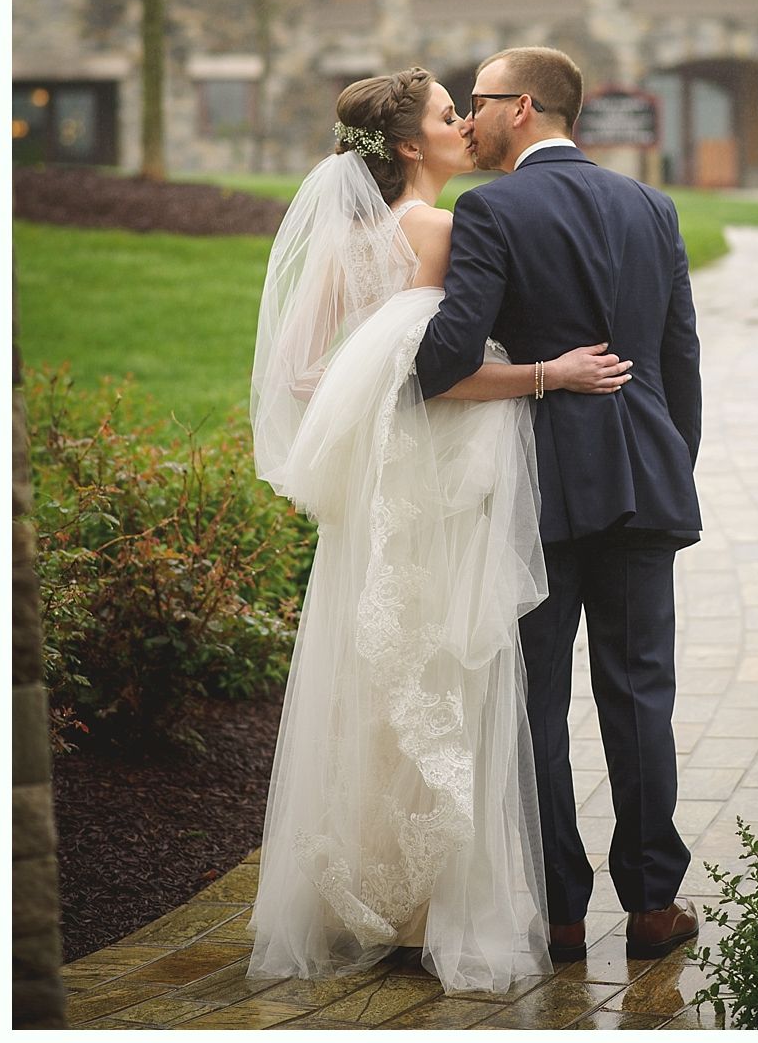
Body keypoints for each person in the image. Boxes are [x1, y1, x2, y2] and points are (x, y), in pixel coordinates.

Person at [246, 67, 632, 994]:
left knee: (383, 676)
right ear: (413, 146)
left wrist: (368, 399)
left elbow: (302, 374)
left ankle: (367, 892)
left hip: (391, 486)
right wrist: (551, 373)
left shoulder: (350, 239)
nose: (465, 123)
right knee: (450, 677)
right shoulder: (439, 228)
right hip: (440, 486)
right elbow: (439, 371)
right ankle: (437, 902)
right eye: (447, 115)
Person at [416, 46, 703, 963]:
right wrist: (665, 463)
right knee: (639, 694)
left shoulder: (490, 207)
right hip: (645, 484)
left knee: (536, 698)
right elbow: (679, 360)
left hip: (536, 491)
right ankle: (655, 905)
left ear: (525, 107)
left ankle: (562, 912)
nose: (470, 116)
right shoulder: (651, 205)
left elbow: (446, 357)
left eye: (482, 101)